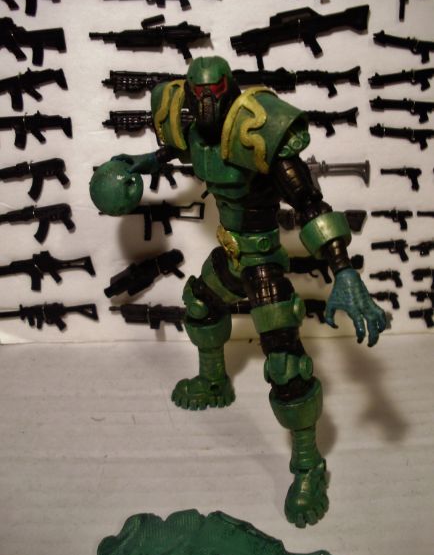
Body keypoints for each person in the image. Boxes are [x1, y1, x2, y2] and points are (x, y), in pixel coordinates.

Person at [90, 56, 386, 528]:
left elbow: (310, 203)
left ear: (229, 90)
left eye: (213, 96)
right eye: (198, 97)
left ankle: (309, 466)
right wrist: (141, 163)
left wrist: (344, 271)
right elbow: (177, 150)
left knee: (285, 364)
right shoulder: (182, 117)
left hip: (263, 260)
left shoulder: (260, 129)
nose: (205, 106)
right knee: (200, 304)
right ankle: (214, 382)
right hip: (230, 254)